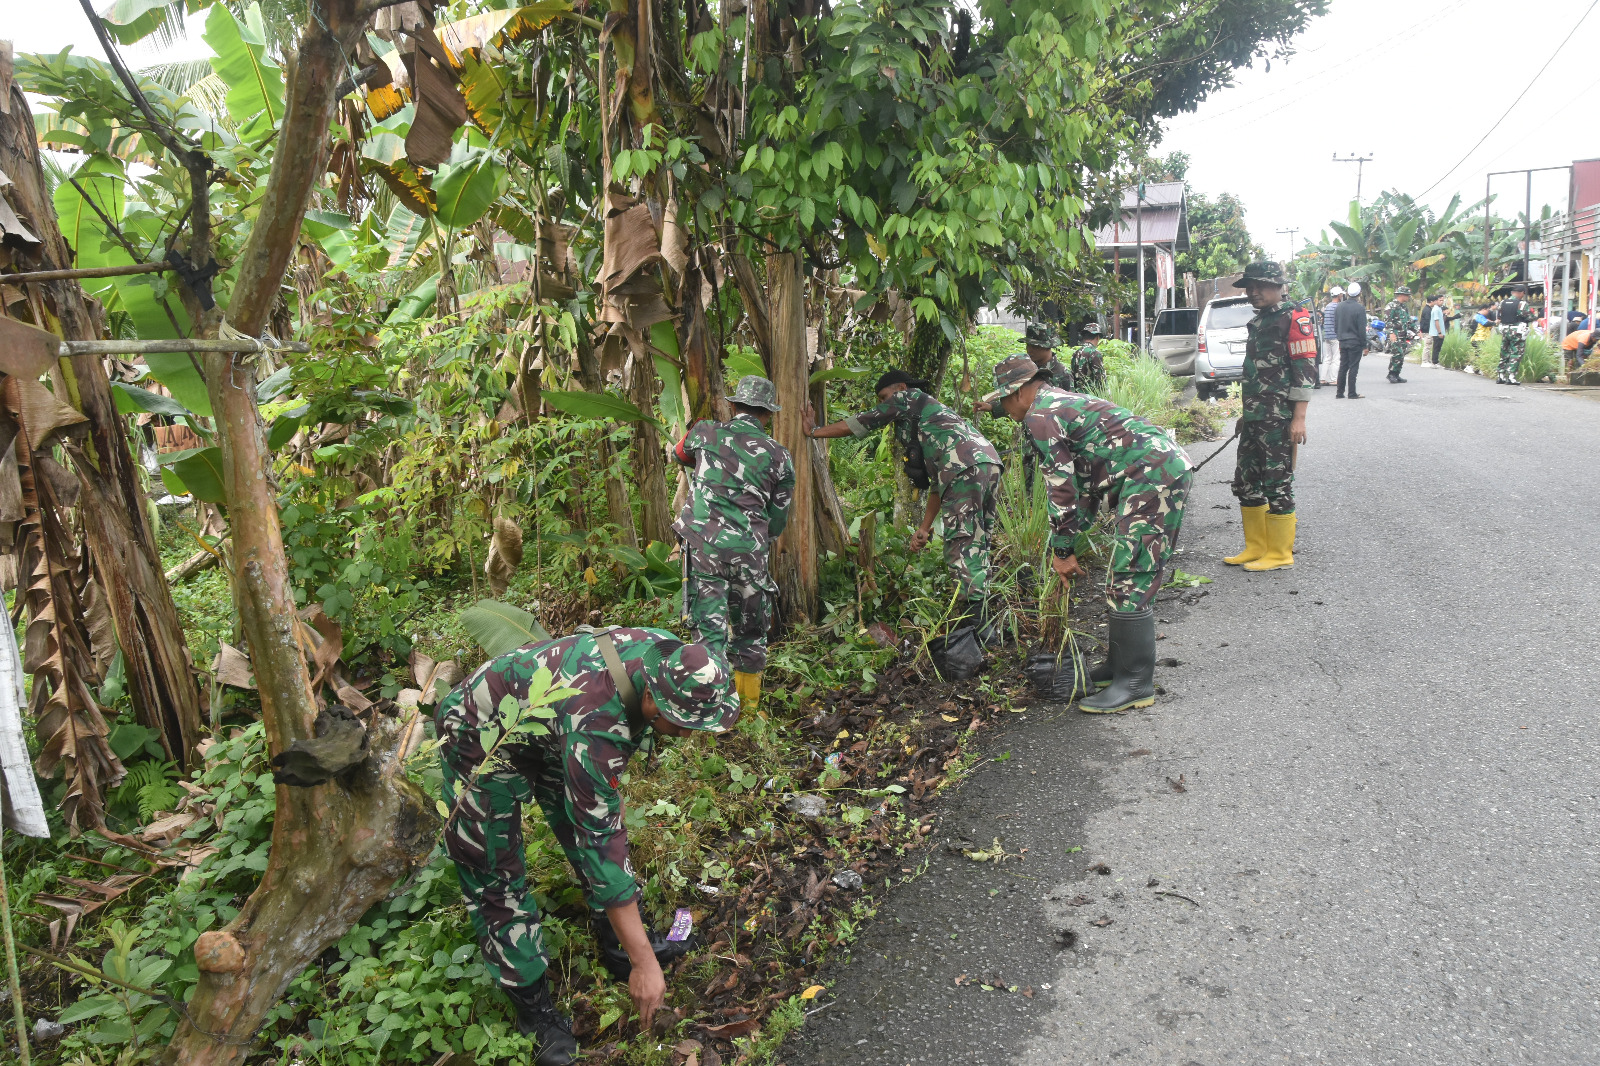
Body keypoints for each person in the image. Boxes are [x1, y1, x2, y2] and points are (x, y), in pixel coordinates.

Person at [437, 630, 739, 1065]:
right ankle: (534, 1013)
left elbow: (596, 821)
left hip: (550, 720)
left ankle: (617, 948)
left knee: (585, 825)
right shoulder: (597, 721)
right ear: (651, 698)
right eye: (681, 724)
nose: (687, 735)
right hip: (479, 732)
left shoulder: (671, 656)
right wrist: (646, 965)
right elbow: (601, 838)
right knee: (494, 869)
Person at [983, 355, 1191, 713]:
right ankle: (1118, 667)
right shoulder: (1058, 402)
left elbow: (1061, 490)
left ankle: (1135, 684)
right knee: (1120, 577)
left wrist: (1062, 551)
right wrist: (1071, 538)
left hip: (1153, 476)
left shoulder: (1040, 416)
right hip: (1151, 471)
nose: (1006, 409)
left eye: (1004, 400)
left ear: (1017, 392)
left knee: (1131, 575)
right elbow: (1085, 482)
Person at [805, 370, 1002, 624]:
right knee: (978, 541)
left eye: (884, 397)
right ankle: (983, 618)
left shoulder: (906, 398)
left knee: (961, 546)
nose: (882, 403)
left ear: (900, 387)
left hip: (963, 468)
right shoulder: (930, 418)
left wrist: (814, 431)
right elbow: (938, 483)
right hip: (988, 463)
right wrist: (924, 528)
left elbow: (864, 421)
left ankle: (974, 625)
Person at [672, 376, 795, 712]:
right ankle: (748, 712)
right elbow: (778, 519)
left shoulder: (704, 432)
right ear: (768, 413)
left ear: (734, 405)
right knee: (751, 633)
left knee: (709, 632)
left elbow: (679, 454)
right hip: (749, 553)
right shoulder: (780, 456)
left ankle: (709, 713)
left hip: (704, 549)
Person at [1222, 261, 1315, 571]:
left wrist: (1299, 418)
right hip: (1255, 416)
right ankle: (1257, 547)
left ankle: (1280, 553)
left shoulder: (1294, 317)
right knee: (1245, 482)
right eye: (1249, 286)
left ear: (1279, 286)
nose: (1253, 291)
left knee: (1277, 482)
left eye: (1260, 285)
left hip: (1279, 417)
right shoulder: (1261, 320)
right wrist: (1245, 414)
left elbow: (1304, 370)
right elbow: (1255, 374)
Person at [1334, 280, 1368, 398]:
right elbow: (1361, 329)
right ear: (1359, 294)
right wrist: (1364, 345)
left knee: (1343, 367)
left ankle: (1339, 392)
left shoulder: (1339, 307)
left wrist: (1340, 337)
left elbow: (1336, 325)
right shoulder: (1360, 308)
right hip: (1355, 341)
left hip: (1342, 341)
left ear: (1347, 293)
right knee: (1353, 367)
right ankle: (1352, 392)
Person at [1496, 283, 1533, 385]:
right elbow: (1529, 316)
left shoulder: (1502, 302)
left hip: (1504, 330)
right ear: (1522, 293)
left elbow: (1499, 316)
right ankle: (1511, 377)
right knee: (1516, 353)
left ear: (1512, 292)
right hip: (1517, 331)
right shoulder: (1522, 304)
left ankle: (1501, 375)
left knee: (1504, 352)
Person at [1383, 286, 1413, 384]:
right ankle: (1391, 374)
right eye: (1407, 295)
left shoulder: (1404, 307)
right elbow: (1387, 321)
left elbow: (1408, 321)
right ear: (1401, 295)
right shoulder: (1391, 306)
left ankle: (1396, 374)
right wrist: (1391, 333)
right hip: (1395, 334)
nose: (1408, 297)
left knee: (1401, 355)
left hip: (1403, 334)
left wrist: (1417, 331)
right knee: (1397, 353)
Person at [1071, 323, 1107, 393]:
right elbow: (1100, 378)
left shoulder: (1076, 353)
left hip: (1077, 395)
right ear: (1097, 337)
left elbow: (1072, 375)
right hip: (1091, 395)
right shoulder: (1095, 353)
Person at [1319, 285, 1344, 386]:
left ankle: (1322, 379)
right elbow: (1339, 322)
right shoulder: (1338, 307)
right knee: (1336, 358)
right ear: (1339, 295)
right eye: (1341, 294)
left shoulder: (1328, 306)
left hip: (1327, 335)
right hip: (1335, 336)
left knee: (1327, 358)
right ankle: (1333, 379)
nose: (1342, 296)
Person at [1423, 293, 1446, 365]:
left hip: (1440, 331)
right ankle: (1434, 362)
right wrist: (1439, 332)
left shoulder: (1439, 309)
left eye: (1442, 300)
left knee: (1438, 348)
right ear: (1436, 301)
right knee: (1436, 348)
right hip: (1436, 332)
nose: (1442, 302)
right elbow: (1436, 321)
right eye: (1440, 300)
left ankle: (1435, 362)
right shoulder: (1435, 309)